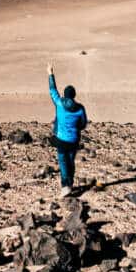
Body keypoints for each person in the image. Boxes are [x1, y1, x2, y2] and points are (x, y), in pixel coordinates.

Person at [47, 61, 88, 198]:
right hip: (74, 139)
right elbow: (83, 124)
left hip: (61, 139)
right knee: (70, 161)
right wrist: (75, 128)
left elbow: (53, 91)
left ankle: (66, 186)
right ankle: (69, 184)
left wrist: (50, 74)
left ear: (65, 94)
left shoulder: (59, 103)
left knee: (63, 162)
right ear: (74, 95)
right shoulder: (80, 108)